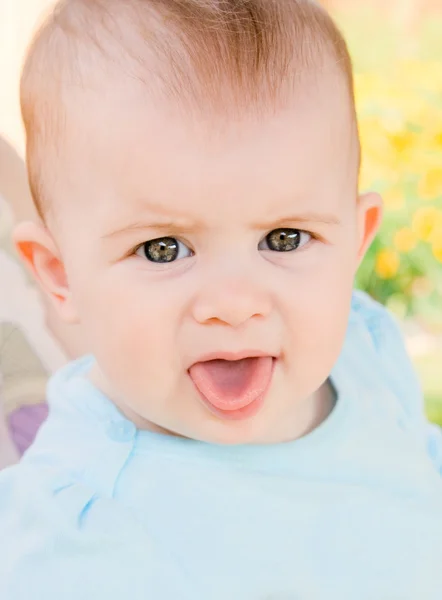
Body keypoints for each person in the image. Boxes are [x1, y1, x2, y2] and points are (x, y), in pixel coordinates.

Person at [1, 1, 442, 598]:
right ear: (61, 276)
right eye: (163, 249)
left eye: (284, 238)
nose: (234, 304)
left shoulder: (367, 352)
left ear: (354, 242)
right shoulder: (70, 528)